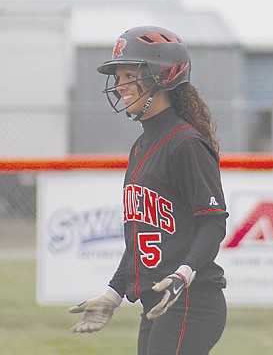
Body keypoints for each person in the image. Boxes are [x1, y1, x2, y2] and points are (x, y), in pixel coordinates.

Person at [69, 25, 229, 355]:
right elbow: (141, 237)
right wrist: (113, 294)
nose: (120, 86)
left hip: (192, 302)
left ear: (163, 76)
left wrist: (182, 276)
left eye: (130, 75)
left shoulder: (186, 143)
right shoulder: (142, 145)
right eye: (119, 77)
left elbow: (213, 223)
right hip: (157, 303)